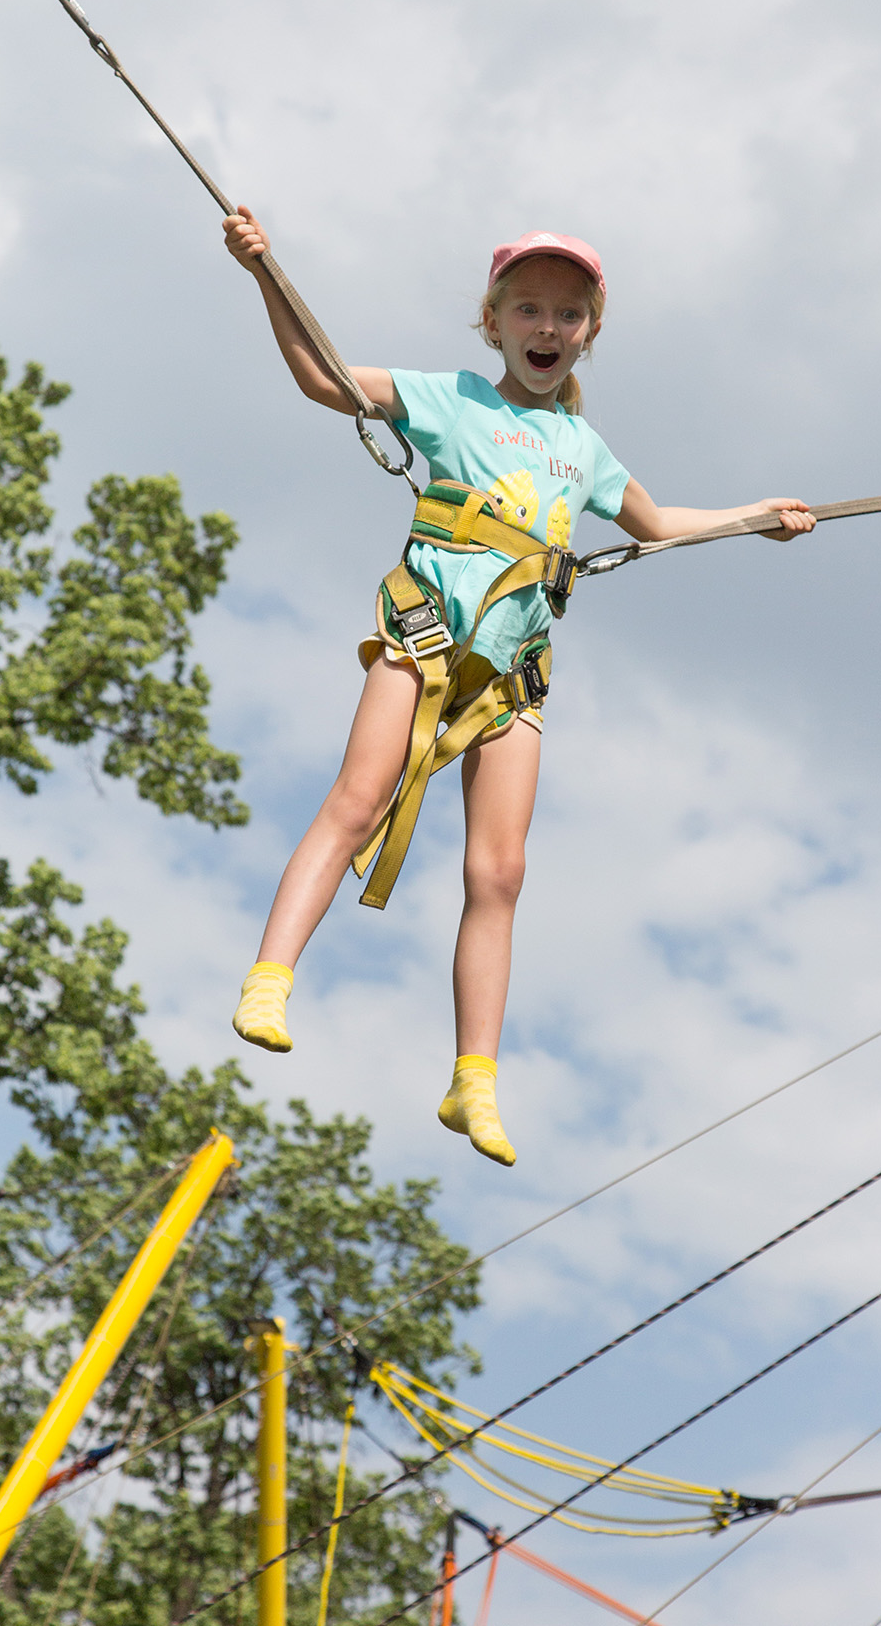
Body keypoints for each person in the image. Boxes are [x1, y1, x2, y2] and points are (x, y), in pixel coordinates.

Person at [223, 213, 815, 1167]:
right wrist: (264, 275)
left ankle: (475, 1081)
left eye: (568, 314)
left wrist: (756, 518)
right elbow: (324, 378)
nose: (549, 326)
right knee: (357, 800)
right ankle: (268, 977)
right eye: (529, 309)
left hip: (511, 675)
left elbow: (656, 525)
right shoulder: (451, 399)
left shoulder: (583, 449)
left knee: (499, 874)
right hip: (425, 636)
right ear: (492, 322)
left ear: (588, 333)